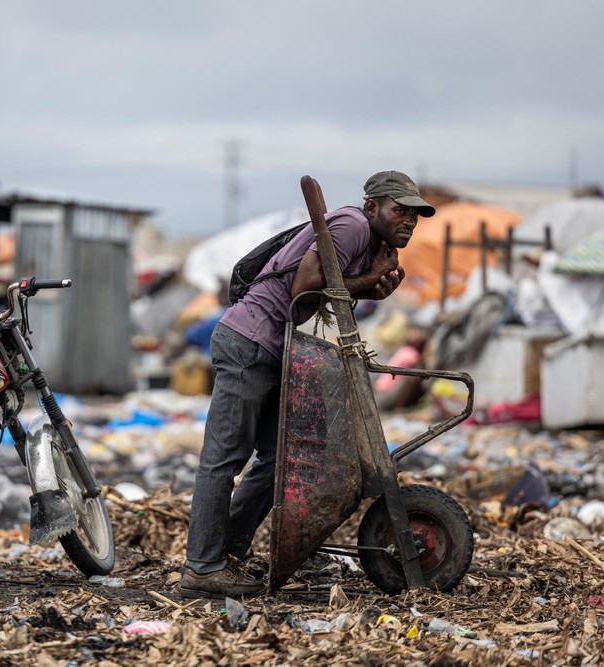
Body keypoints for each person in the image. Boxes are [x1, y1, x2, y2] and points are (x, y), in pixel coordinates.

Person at [179, 170, 436, 598]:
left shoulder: (368, 241)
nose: (408, 221)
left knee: (280, 456)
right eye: (400, 211)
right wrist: (367, 282)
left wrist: (369, 289)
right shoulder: (353, 226)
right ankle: (203, 568)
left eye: (414, 215)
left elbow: (327, 291)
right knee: (224, 457)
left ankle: (226, 552)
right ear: (374, 207)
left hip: (273, 347)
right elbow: (304, 288)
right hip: (249, 340)